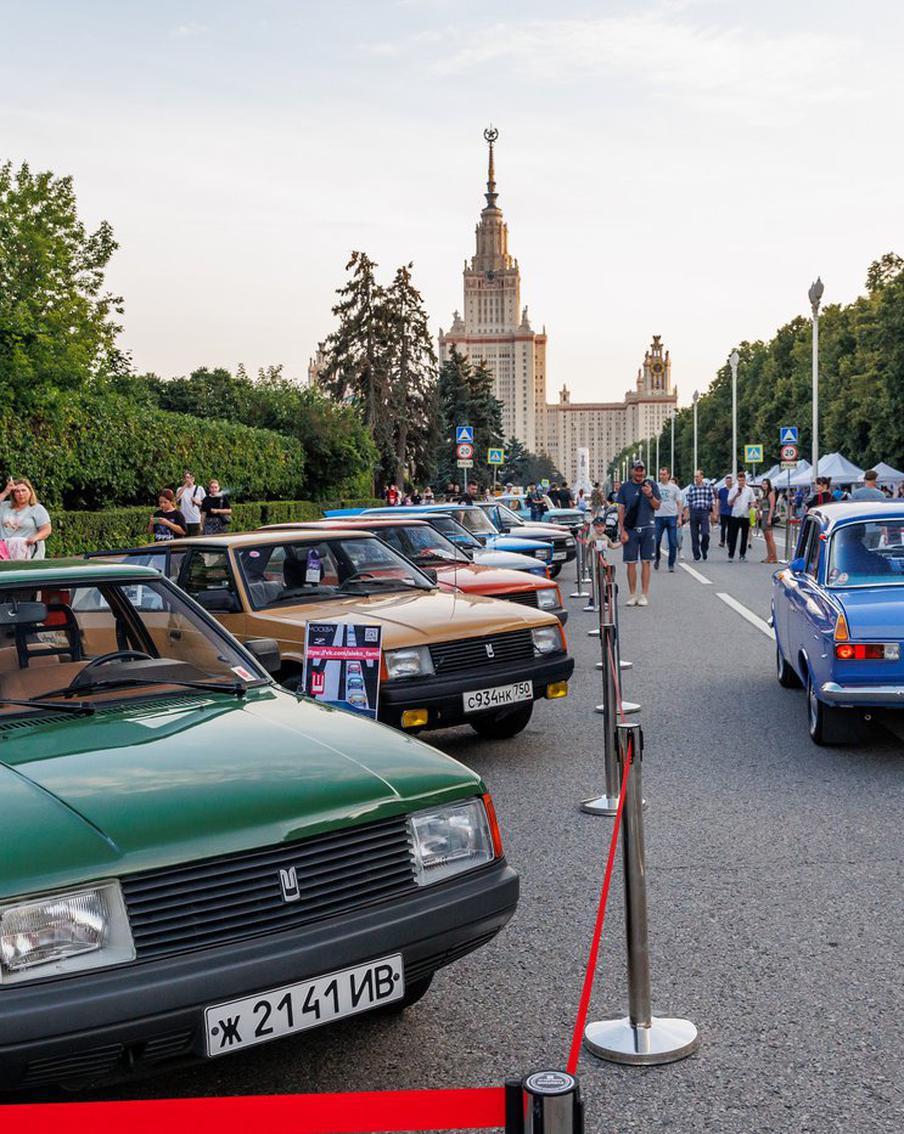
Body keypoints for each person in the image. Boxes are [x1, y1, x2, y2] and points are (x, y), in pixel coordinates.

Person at [616, 459, 661, 606]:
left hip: (648, 527)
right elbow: (621, 510)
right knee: (631, 563)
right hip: (631, 529)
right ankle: (632, 594)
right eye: (637, 469)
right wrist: (621, 530)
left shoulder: (651, 485)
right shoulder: (625, 488)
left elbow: (657, 506)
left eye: (641, 470)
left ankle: (644, 594)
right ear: (632, 471)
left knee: (646, 561)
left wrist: (649, 495)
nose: (639, 472)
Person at [0, 477, 52, 559]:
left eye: (23, 490)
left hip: (30, 553)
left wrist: (36, 537)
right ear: (13, 493)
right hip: (5, 554)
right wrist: (5, 492)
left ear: (30, 492)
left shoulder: (37, 508)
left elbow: (47, 529)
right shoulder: (4, 506)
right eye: (17, 491)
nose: (20, 494)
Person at [683, 469, 718, 561]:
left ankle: (704, 548)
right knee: (694, 535)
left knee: (705, 533)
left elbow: (712, 501)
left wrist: (714, 514)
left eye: (697, 476)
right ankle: (696, 554)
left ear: (702, 477)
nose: (696, 478)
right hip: (694, 512)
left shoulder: (708, 488)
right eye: (695, 477)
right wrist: (686, 515)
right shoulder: (692, 488)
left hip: (704, 512)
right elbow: (688, 501)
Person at [653, 466, 682, 572]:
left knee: (672, 542)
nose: (662, 476)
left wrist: (679, 518)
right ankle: (657, 558)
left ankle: (671, 564)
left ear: (668, 475)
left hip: (671, 516)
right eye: (661, 474)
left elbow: (679, 503)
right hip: (658, 517)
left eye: (664, 474)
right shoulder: (656, 486)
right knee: (656, 541)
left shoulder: (674, 488)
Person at [727, 471, 756, 561]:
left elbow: (753, 501)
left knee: (744, 536)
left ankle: (742, 554)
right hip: (735, 515)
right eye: (739, 480)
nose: (741, 482)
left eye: (742, 480)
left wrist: (751, 505)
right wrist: (736, 495)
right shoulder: (733, 489)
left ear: (745, 480)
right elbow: (729, 503)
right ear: (737, 481)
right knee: (733, 536)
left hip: (745, 515)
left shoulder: (749, 490)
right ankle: (731, 554)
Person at [175, 471, 206, 537]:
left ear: (193, 479)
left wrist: (198, 502)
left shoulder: (199, 488)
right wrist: (185, 486)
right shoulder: (180, 489)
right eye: (186, 478)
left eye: (189, 477)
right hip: (184, 520)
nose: (188, 479)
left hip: (196, 520)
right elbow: (176, 498)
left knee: (195, 541)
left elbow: (206, 504)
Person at [758, 477, 778, 563]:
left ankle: (774, 556)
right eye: (763, 484)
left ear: (769, 485)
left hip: (768, 515)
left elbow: (772, 506)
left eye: (766, 484)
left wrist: (769, 518)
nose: (764, 485)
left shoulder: (770, 493)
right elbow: (761, 506)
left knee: (770, 537)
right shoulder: (764, 494)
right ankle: (769, 556)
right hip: (764, 515)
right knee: (766, 538)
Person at [717, 475, 733, 547]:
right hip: (723, 511)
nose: (728, 482)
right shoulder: (721, 490)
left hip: (732, 512)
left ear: (731, 482)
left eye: (729, 481)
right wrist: (718, 511)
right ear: (725, 482)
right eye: (727, 481)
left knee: (730, 527)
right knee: (723, 527)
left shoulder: (733, 490)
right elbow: (719, 501)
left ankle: (729, 541)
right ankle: (722, 541)